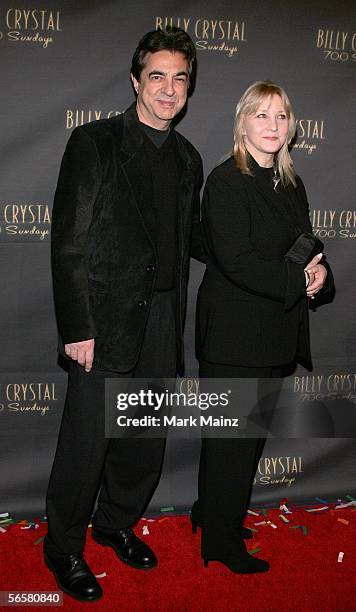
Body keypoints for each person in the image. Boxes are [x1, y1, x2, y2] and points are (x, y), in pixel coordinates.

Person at [44, 27, 203, 602]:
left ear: (188, 89)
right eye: (156, 76)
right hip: (103, 321)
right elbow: (69, 242)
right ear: (136, 81)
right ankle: (62, 549)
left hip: (162, 318)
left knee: (142, 443)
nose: (167, 89)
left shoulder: (188, 159)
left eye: (179, 78)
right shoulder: (96, 142)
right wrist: (77, 326)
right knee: (86, 446)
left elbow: (199, 240)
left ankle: (113, 524)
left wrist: (293, 249)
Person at [192, 80, 334, 574]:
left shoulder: (291, 182)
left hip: (274, 331)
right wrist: (300, 278)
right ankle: (221, 543)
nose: (273, 126)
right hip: (234, 335)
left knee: (242, 441)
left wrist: (319, 274)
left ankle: (210, 513)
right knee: (232, 443)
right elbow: (237, 261)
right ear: (243, 123)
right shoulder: (227, 180)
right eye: (262, 115)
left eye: (281, 116)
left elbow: (306, 245)